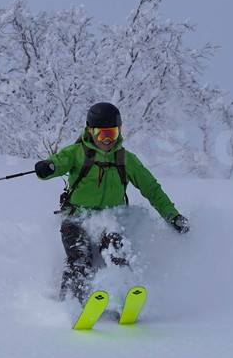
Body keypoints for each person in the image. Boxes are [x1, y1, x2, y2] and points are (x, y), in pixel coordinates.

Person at [34, 102, 189, 304]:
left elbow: (152, 190)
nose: (107, 140)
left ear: (119, 132)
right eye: (101, 134)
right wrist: (48, 167)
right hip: (76, 217)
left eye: (112, 134)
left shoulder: (126, 159)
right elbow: (59, 162)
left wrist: (172, 216)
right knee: (79, 259)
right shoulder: (76, 153)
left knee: (117, 255)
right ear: (90, 131)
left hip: (109, 220)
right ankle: (71, 302)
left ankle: (121, 301)